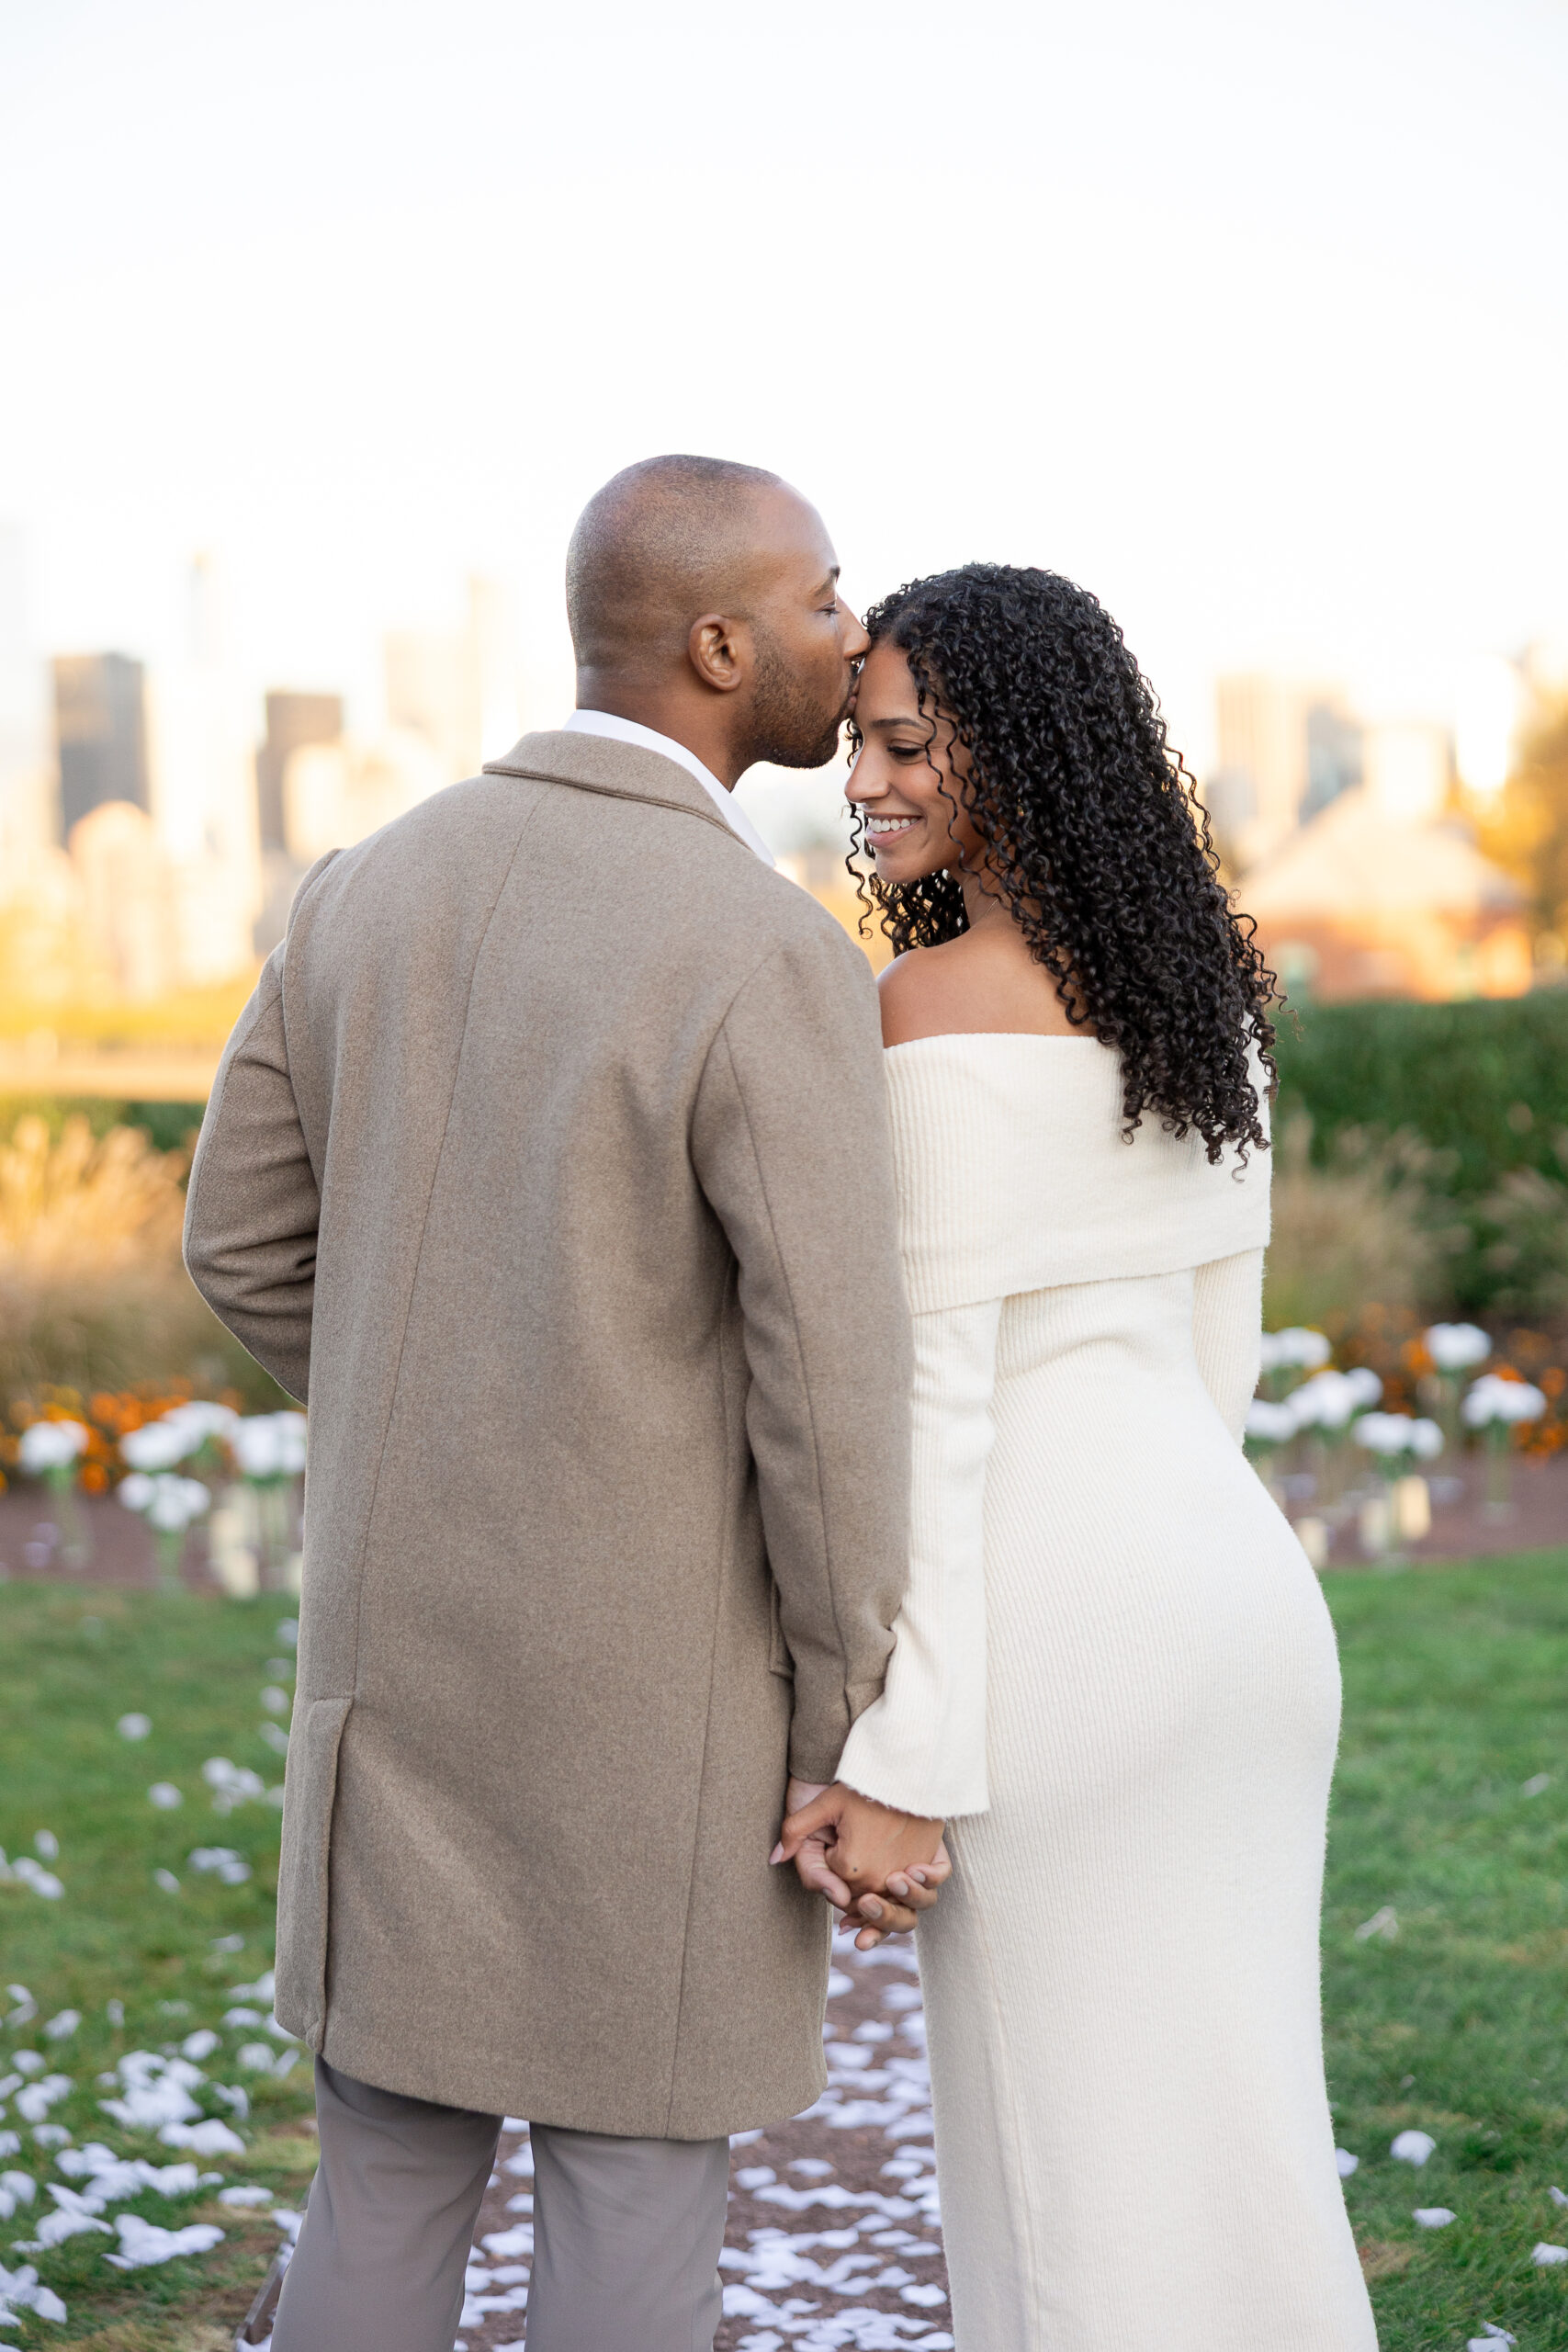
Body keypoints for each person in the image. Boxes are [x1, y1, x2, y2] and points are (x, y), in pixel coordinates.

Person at [185, 455, 945, 2352]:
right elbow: (827, 1383)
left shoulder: (360, 888)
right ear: (718, 644)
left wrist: (435, 1412)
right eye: (821, 597)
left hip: (391, 1672)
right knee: (630, 2198)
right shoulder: (764, 946)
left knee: (378, 2187)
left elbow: (238, 1239)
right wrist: (849, 1720)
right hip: (656, 1707)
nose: (849, 630)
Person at [779, 564, 1379, 2350]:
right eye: (859, 744)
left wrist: (905, 1753)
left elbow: (936, 1407)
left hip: (1059, 1642)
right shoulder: (1205, 998)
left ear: (1020, 751)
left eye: (906, 744)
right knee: (1235, 2140)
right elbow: (1217, 1350)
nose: (865, 780)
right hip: (1235, 1604)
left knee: (1069, 2188)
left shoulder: (928, 1009)